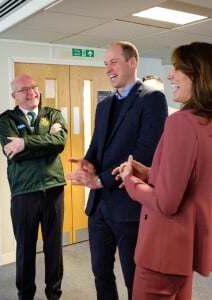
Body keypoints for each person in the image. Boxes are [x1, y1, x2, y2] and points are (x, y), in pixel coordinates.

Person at [66, 41, 168, 299]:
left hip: (129, 207)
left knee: (135, 279)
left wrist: (100, 179)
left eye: (113, 62)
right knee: (101, 274)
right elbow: (96, 145)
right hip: (99, 209)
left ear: (132, 62)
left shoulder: (152, 99)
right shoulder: (104, 104)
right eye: (105, 64)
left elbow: (145, 154)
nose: (108, 69)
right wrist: (88, 162)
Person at [113, 41, 212, 299]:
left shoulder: (181, 123)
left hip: (161, 251)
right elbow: (194, 178)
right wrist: (149, 173)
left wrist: (131, 181)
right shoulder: (205, 124)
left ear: (198, 75)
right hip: (186, 248)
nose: (170, 75)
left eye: (178, 69)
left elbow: (166, 203)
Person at [0, 74, 67, 300]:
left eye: (34, 87)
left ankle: (54, 294)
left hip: (54, 189)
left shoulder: (53, 114)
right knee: (25, 249)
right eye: (24, 89)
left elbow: (60, 143)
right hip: (24, 193)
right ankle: (25, 295)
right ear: (14, 96)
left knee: (54, 247)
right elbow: (13, 154)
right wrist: (47, 139)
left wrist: (25, 142)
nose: (32, 92)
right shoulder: (5, 120)